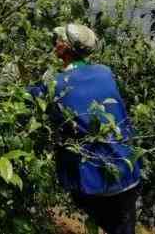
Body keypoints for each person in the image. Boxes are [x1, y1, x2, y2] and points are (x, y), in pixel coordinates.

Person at [26, 23, 142, 234]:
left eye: (59, 39)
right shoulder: (104, 72)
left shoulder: (56, 83)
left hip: (96, 181)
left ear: (65, 47)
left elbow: (28, 96)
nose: (55, 42)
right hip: (128, 170)